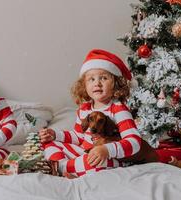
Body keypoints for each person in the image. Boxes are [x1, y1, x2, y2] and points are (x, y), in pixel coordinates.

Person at [39, 49, 141, 178]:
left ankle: (61, 167)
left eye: (103, 78)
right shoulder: (84, 108)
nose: (97, 83)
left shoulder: (118, 109)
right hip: (85, 152)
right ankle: (67, 168)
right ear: (84, 86)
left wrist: (106, 150)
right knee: (50, 144)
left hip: (108, 156)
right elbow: (78, 136)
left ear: (116, 84)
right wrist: (55, 135)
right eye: (91, 79)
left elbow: (134, 142)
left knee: (97, 163)